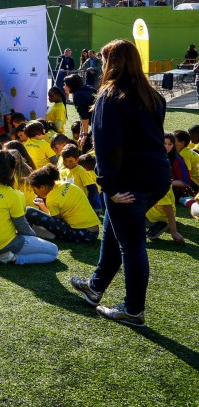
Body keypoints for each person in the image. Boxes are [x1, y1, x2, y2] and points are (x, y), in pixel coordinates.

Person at [68, 40, 172, 326]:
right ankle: (96, 287)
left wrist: (109, 188)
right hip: (156, 176)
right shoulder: (152, 96)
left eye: (103, 60)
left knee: (131, 244)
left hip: (129, 181)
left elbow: (106, 146)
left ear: (111, 62)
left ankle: (133, 309)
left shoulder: (110, 96)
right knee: (114, 230)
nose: (101, 65)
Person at [25, 165, 100, 243]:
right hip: (95, 232)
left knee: (29, 211)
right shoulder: (66, 184)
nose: (35, 193)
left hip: (82, 234)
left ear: (42, 187)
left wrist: (42, 207)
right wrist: (42, 205)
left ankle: (27, 235)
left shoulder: (52, 198)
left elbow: (57, 222)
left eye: (35, 190)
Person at [63, 74, 96, 150]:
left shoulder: (78, 96)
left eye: (65, 84)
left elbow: (85, 117)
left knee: (87, 145)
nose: (64, 87)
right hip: (101, 121)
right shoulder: (89, 89)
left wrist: (84, 135)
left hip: (100, 123)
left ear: (71, 85)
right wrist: (81, 134)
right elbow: (83, 117)